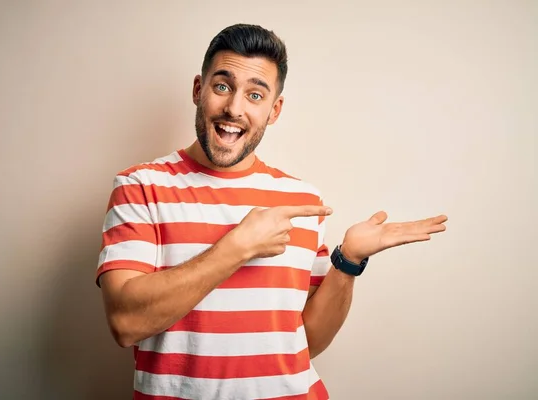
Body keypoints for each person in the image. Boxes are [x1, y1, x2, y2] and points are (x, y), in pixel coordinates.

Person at [95, 23, 447, 400]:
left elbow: (308, 340)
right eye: (222, 86)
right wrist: (238, 247)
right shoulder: (140, 186)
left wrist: (348, 262)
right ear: (199, 90)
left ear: (274, 110)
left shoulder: (301, 200)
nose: (234, 108)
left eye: (255, 95)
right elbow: (126, 322)